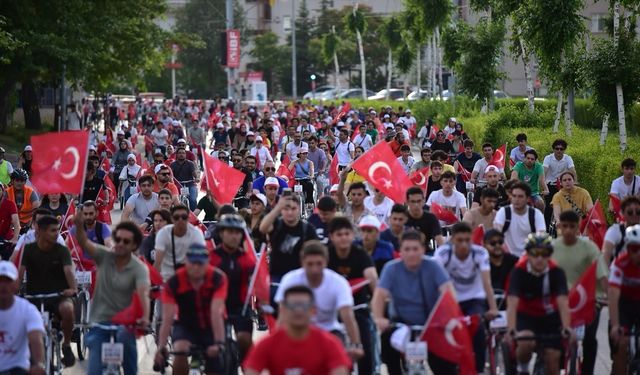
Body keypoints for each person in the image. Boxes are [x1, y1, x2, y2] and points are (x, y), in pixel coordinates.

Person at [73, 207, 150, 375]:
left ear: (135, 245)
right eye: (119, 239)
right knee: (94, 370)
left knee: (129, 357)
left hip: (126, 324)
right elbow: (83, 242)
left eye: (126, 241)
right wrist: (79, 226)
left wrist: (144, 318)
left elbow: (144, 294)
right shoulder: (104, 256)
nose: (121, 244)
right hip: (100, 321)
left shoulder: (139, 268)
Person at [372, 230, 457, 374]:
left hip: (432, 324)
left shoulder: (433, 266)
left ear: (423, 249)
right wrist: (379, 319)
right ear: (400, 251)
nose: (411, 253)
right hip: (400, 324)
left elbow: (448, 292)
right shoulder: (391, 268)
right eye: (407, 249)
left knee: (446, 366)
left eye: (415, 249)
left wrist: (448, 317)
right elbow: (379, 296)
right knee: (387, 346)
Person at [274, 241, 364, 360]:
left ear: (326, 262)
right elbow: (283, 316)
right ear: (302, 263)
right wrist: (276, 343)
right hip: (297, 330)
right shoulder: (290, 280)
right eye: (310, 264)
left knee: (341, 359)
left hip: (329, 330)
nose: (315, 269)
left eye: (319, 264)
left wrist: (356, 344)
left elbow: (347, 316)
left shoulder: (338, 283)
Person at [434, 222, 499, 373]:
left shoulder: (480, 253)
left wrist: (493, 308)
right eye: (459, 240)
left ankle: (479, 368)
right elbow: (436, 283)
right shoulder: (443, 254)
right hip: (450, 299)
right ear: (452, 240)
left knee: (478, 328)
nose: (464, 244)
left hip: (474, 299)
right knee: (445, 331)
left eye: (467, 240)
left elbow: (486, 283)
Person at [505, 233, 574, 375]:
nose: (539, 258)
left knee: (553, 358)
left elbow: (562, 302)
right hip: (526, 315)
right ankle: (523, 369)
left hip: (550, 316)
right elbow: (512, 302)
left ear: (550, 255)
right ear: (528, 254)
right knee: (525, 344)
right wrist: (511, 329)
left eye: (544, 254)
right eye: (535, 254)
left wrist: (567, 327)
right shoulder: (519, 271)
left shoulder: (557, 272)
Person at [243, 285, 351, 375]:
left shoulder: (330, 344)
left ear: (313, 310)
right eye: (292, 305)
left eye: (304, 305)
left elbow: (340, 371)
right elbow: (251, 371)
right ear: (283, 310)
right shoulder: (267, 344)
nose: (298, 310)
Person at [154, 242, 227, 375]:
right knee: (180, 349)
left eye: (201, 263)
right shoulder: (174, 282)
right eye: (193, 263)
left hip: (211, 325)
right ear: (186, 262)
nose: (196, 267)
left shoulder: (218, 278)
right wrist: (161, 347)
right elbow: (167, 318)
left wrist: (219, 343)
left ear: (208, 263)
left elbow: (216, 312)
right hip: (185, 325)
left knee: (215, 361)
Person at [552, 210, 608, 375]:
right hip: (562, 302)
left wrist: (609, 297)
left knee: (590, 340)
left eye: (572, 226)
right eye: (565, 226)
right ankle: (561, 368)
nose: (568, 230)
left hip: (590, 301)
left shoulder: (589, 247)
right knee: (557, 339)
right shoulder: (552, 248)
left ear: (578, 228)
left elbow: (603, 275)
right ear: (560, 227)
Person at [19, 215, 77, 367]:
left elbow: (68, 271)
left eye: (58, 230)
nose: (57, 233)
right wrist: (14, 292)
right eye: (53, 231)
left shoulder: (62, 250)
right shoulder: (29, 250)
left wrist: (72, 288)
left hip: (58, 296)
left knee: (68, 309)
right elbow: (19, 274)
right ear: (42, 231)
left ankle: (66, 344)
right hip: (34, 297)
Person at [327, 217, 378, 375]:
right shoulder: (325, 255)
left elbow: (373, 280)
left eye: (346, 233)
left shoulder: (360, 255)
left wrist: (379, 304)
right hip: (331, 311)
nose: (343, 237)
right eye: (339, 234)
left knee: (366, 346)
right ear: (331, 236)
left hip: (357, 308)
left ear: (352, 235)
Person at [208, 215, 256, 361]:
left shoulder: (247, 259)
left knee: (244, 340)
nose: (234, 236)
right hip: (216, 308)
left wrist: (261, 306)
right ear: (221, 233)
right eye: (230, 232)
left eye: (237, 232)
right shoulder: (211, 257)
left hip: (240, 307)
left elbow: (258, 284)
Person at [259, 195, 318, 288]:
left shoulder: (308, 229)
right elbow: (263, 228)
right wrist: (277, 208)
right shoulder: (276, 224)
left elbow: (316, 252)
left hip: (300, 277)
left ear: (299, 209)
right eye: (286, 209)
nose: (290, 212)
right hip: (277, 277)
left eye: (293, 209)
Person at [0, 260, 46, 375]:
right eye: (0, 281)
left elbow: (35, 338)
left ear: (16, 285)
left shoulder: (28, 310)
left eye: (8, 281)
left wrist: (38, 364)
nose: (3, 286)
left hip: (16, 368)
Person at [608, 224, 640, 375]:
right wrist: (615, 325)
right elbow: (613, 294)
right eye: (634, 249)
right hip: (624, 305)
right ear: (627, 248)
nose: (638, 253)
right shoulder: (619, 264)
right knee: (621, 344)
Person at [154, 204, 206, 282]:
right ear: (172, 219)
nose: (180, 220)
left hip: (189, 279)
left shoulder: (196, 233)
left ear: (188, 218)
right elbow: (158, 262)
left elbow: (201, 260)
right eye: (176, 217)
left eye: (184, 217)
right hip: (167, 279)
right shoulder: (163, 233)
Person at [494, 181, 546, 257]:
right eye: (514, 196)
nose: (516, 199)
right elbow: (497, 234)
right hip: (507, 256)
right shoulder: (503, 212)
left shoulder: (536, 214)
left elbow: (541, 237)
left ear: (528, 198)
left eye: (520, 196)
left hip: (529, 257)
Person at [543, 139, 577, 225]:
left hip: (563, 185)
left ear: (564, 150)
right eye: (557, 148)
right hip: (550, 185)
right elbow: (544, 172)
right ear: (553, 149)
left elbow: (573, 171)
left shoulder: (568, 158)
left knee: (567, 206)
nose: (559, 151)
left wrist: (575, 183)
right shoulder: (548, 158)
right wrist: (544, 187)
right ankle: (546, 228)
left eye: (561, 149)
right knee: (549, 207)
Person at [405, 186, 444, 253]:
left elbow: (439, 239)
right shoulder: (402, 218)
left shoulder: (431, 218)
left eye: (419, 201)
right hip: (405, 252)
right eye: (413, 202)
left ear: (423, 201)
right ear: (407, 202)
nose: (416, 205)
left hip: (426, 252)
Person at [603, 195, 640, 264]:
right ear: (622, 213)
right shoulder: (615, 231)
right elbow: (606, 256)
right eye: (630, 212)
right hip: (619, 271)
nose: (634, 214)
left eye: (638, 212)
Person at [0, 182, 20, 258]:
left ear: (3, 191)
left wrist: (15, 239)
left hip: (7, 239)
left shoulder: (10, 204)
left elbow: (16, 222)